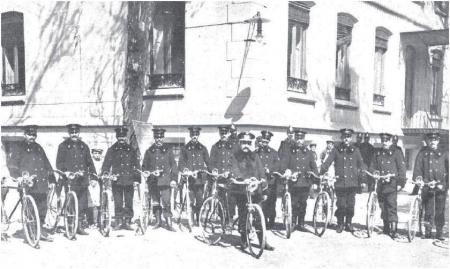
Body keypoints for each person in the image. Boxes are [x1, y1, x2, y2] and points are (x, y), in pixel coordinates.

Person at [9, 125, 55, 241]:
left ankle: (41, 230)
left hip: (41, 182)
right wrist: (17, 177)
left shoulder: (39, 148)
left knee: (42, 208)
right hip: (27, 183)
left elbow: (47, 164)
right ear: (25, 135)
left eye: (34, 134)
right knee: (28, 208)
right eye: (29, 134)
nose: (32, 137)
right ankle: (29, 232)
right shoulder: (18, 147)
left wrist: (52, 179)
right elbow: (12, 164)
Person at [230, 131, 274, 251]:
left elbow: (261, 172)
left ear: (252, 144)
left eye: (248, 143)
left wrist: (264, 187)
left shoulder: (255, 156)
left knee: (259, 217)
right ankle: (244, 239)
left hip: (255, 191)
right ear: (239, 143)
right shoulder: (235, 156)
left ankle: (262, 241)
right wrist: (243, 179)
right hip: (241, 191)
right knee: (243, 215)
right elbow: (234, 170)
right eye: (243, 142)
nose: (246, 145)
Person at [320, 128, 366, 233]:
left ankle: (348, 223)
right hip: (340, 182)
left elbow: (362, 165)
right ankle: (340, 223)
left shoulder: (356, 150)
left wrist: (363, 179)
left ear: (351, 138)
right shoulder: (336, 150)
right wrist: (320, 173)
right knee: (341, 204)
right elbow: (327, 162)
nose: (346, 139)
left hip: (352, 182)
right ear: (342, 138)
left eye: (348, 137)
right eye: (344, 137)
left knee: (350, 204)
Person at [56, 124, 97, 235]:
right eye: (72, 132)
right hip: (70, 180)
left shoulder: (84, 146)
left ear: (79, 133)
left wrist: (93, 177)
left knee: (82, 204)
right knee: (70, 203)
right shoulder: (63, 146)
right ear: (69, 133)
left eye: (76, 132)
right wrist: (66, 171)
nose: (74, 134)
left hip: (82, 180)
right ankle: (69, 226)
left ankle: (79, 226)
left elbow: (90, 163)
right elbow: (59, 163)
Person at [101, 127, 140, 230]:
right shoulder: (112, 150)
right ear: (117, 137)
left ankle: (127, 221)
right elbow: (106, 164)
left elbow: (136, 165)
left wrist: (136, 179)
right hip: (116, 180)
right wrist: (105, 173)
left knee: (128, 201)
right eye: (119, 136)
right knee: (118, 201)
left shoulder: (131, 149)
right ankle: (118, 221)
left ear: (125, 137)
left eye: (123, 136)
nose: (121, 138)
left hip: (129, 179)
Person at [368, 133, 406, 238]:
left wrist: (401, 183)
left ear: (391, 141)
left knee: (391, 206)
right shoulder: (377, 153)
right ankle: (386, 227)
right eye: (383, 140)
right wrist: (375, 172)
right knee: (382, 206)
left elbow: (401, 169)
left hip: (392, 184)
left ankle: (393, 229)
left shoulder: (397, 153)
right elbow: (372, 167)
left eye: (387, 140)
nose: (384, 142)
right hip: (380, 184)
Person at [280, 129, 318, 231]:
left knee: (303, 203)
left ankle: (301, 223)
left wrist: (315, 181)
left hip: (305, 182)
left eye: (301, 139)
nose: (299, 141)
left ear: (304, 140)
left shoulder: (309, 153)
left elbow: (314, 168)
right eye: (297, 138)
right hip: (293, 182)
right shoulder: (289, 152)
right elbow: (283, 165)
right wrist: (287, 171)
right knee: (293, 203)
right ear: (295, 139)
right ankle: (292, 222)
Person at [412, 132, 448, 240]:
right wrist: (418, 180)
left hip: (440, 185)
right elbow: (417, 168)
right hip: (427, 185)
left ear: (438, 141)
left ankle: (439, 232)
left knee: (440, 209)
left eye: (435, 140)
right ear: (428, 141)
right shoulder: (423, 153)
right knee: (428, 209)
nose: (433, 142)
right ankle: (427, 231)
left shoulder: (444, 153)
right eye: (431, 140)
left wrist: (446, 185)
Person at [142, 128, 178, 231]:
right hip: (153, 181)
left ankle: (168, 222)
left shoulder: (168, 150)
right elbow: (144, 166)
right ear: (154, 138)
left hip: (166, 181)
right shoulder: (149, 151)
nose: (159, 139)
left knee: (166, 201)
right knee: (155, 202)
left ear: (163, 137)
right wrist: (146, 172)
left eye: (160, 137)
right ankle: (158, 221)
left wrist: (174, 179)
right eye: (157, 137)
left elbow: (174, 166)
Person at [178, 127, 210, 226]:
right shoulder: (185, 148)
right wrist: (185, 170)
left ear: (198, 135)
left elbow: (208, 162)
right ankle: (190, 220)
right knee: (190, 201)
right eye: (192, 135)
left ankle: (199, 220)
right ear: (190, 135)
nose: (194, 137)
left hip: (200, 179)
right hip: (190, 179)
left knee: (200, 201)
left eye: (196, 135)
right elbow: (181, 163)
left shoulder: (203, 148)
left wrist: (209, 171)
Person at [209, 125, 237, 222]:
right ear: (219, 134)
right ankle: (222, 219)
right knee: (220, 199)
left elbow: (237, 162)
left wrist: (230, 172)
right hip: (220, 178)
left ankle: (230, 219)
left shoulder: (234, 146)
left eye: (225, 133)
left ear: (228, 133)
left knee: (231, 199)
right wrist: (214, 170)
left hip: (230, 177)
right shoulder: (215, 147)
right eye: (222, 133)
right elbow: (211, 163)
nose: (223, 135)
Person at [255, 130, 280, 229]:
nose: (264, 144)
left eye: (266, 142)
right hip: (260, 182)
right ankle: (263, 221)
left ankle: (272, 221)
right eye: (263, 141)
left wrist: (270, 170)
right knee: (261, 202)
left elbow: (278, 165)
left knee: (271, 202)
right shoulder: (255, 152)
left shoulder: (274, 152)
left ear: (269, 142)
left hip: (271, 182)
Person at [87, 148, 103, 228]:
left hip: (100, 182)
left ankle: (98, 221)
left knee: (99, 201)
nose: (97, 155)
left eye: (98, 153)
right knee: (91, 201)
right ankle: (90, 221)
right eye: (95, 153)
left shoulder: (102, 162)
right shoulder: (90, 162)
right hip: (91, 182)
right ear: (92, 154)